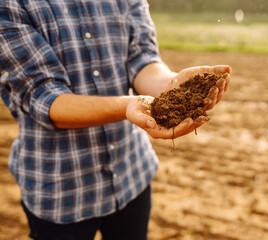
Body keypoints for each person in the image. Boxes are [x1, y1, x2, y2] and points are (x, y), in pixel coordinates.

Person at [0, 0, 231, 239]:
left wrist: (171, 85)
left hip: (130, 173)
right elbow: (43, 95)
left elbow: (141, 58)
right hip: (62, 188)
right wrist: (127, 105)